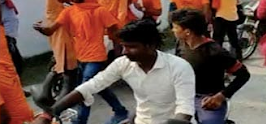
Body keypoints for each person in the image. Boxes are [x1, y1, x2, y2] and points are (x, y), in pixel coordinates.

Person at [42, 19, 195, 124]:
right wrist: (49, 114)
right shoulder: (123, 63)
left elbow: (185, 109)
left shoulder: (179, 67)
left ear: (150, 45)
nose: (124, 52)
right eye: (123, 46)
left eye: (131, 47)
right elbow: (91, 86)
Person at [33, 0, 128, 124]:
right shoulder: (69, 11)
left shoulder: (99, 11)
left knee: (84, 90)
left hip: (96, 57)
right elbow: (51, 30)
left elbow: (114, 30)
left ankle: (80, 121)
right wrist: (41, 28)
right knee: (98, 87)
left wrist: (121, 48)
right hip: (81, 57)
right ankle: (120, 111)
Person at [171, 9, 250, 124]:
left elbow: (244, 75)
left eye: (175, 27)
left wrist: (221, 96)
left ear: (187, 31)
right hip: (184, 95)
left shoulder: (215, 52)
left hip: (206, 99)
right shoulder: (181, 44)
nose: (173, 30)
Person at [28, 0, 77, 106]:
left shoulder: (60, 8)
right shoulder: (54, 4)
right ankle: (58, 107)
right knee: (69, 78)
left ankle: (44, 95)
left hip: (59, 47)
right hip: (66, 48)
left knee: (57, 69)